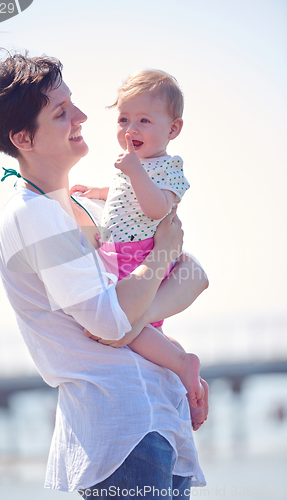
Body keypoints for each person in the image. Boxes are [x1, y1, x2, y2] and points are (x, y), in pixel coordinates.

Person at [0, 49, 209, 498]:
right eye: (62, 112)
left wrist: (137, 317)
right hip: (121, 430)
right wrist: (160, 259)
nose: (82, 116)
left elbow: (194, 273)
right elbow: (107, 321)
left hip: (160, 417)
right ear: (23, 138)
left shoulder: (94, 206)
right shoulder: (32, 215)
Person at [70, 69, 205, 408]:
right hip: (122, 254)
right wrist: (98, 191)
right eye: (124, 119)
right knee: (142, 329)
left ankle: (180, 363)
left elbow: (157, 207)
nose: (131, 129)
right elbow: (122, 195)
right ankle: (175, 358)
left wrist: (133, 170)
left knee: (126, 325)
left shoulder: (167, 167)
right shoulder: (136, 165)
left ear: (173, 129)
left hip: (141, 254)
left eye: (144, 120)